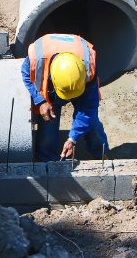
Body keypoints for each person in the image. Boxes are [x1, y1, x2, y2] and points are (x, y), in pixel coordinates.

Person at [21, 33, 109, 162]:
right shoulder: (37, 57)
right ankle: (47, 162)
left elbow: (88, 109)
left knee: (92, 123)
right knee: (48, 125)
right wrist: (41, 101)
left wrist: (72, 139)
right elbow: (26, 75)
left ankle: (101, 155)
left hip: (79, 85)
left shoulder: (89, 67)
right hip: (52, 89)